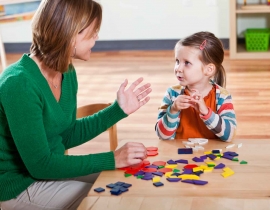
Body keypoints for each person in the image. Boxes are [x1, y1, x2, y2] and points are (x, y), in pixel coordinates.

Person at [0, 0, 152, 209]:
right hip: (18, 185)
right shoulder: (18, 83)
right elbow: (41, 165)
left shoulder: (67, 72)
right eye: (92, 32)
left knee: (130, 178)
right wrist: (112, 158)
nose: (97, 37)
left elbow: (66, 134)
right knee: (109, 201)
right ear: (71, 35)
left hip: (48, 170)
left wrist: (118, 110)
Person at [155, 31, 237, 142]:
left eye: (187, 63)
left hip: (212, 156)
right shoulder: (172, 94)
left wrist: (207, 113)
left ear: (209, 69)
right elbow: (162, 135)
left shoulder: (223, 96)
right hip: (179, 156)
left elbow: (229, 135)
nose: (178, 68)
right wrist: (173, 110)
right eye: (177, 61)